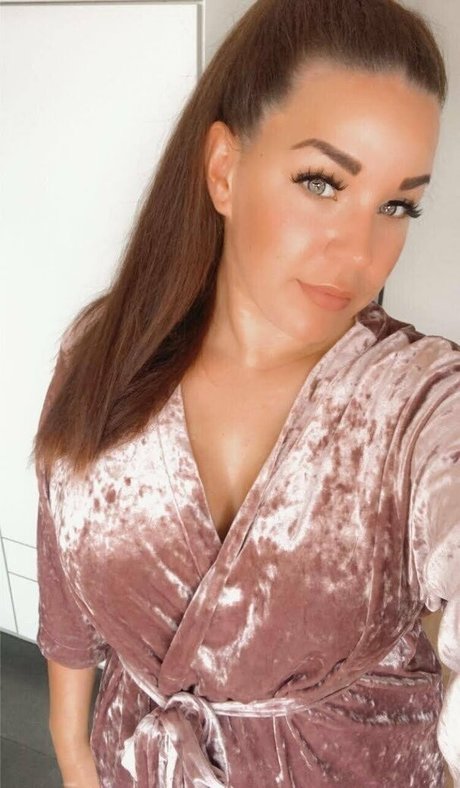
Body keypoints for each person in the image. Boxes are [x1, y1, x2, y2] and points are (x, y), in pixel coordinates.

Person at [32, 0, 460, 785]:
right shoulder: (103, 351)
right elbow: (63, 568)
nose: (359, 251)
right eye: (322, 182)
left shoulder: (417, 401)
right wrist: (71, 749)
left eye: (397, 205)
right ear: (224, 170)